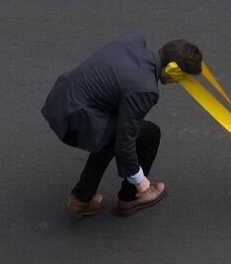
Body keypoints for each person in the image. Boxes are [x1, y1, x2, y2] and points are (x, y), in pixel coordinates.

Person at [41, 32, 202, 218]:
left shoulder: (132, 41)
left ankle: (81, 198)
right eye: (182, 78)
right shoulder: (145, 89)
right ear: (173, 69)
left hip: (59, 101)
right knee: (148, 134)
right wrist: (140, 181)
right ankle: (131, 198)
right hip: (74, 122)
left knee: (111, 127)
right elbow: (125, 141)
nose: (179, 83)